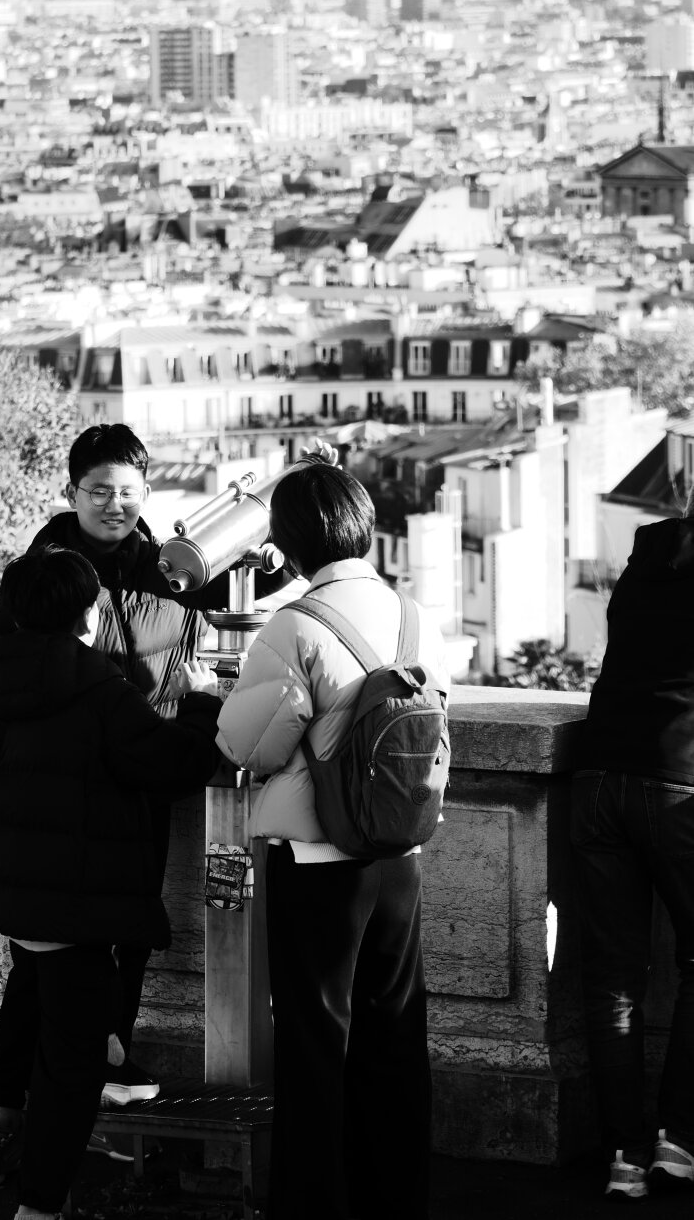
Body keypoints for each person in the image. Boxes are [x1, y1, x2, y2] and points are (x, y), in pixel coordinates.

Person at [0, 422, 289, 1185]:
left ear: (147, 498)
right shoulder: (39, 576)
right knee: (38, 971)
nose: (113, 505)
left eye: (128, 493)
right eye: (98, 490)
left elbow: (247, 591)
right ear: (70, 493)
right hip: (67, 794)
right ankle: (12, 1113)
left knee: (118, 952)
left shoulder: (169, 569)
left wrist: (273, 551)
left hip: (131, 788)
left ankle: (81, 1102)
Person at [0, 545, 222, 1220]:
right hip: (71, 900)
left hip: (8, 887)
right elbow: (173, 764)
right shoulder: (96, 688)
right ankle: (38, 1207)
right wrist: (200, 701)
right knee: (70, 1070)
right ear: (86, 611)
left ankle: (20, 1122)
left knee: (49, 1010)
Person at [215, 462, 449, 1220]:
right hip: (399, 854)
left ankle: (313, 1205)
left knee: (317, 1040)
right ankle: (397, 1198)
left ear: (285, 542)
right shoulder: (413, 615)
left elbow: (250, 743)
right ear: (361, 523)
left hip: (320, 858)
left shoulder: (295, 623)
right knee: (393, 1032)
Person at [573, 491, 694, 1200]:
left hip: (595, 779)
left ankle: (622, 1155)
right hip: (677, 786)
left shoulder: (646, 557)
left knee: (612, 978)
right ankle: (676, 1142)